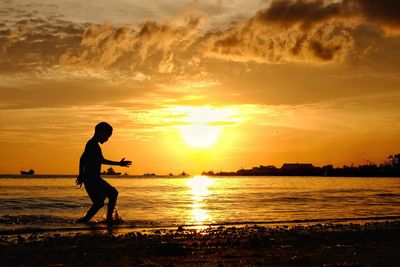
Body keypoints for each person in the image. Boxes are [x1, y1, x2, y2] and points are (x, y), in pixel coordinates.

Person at [76, 122, 132, 225]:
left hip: (90, 178)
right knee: (113, 194)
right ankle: (109, 219)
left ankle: (83, 221)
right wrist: (119, 164)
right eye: (107, 136)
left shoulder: (91, 143)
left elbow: (81, 158)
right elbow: (101, 160)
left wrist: (80, 174)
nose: (107, 139)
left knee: (99, 203)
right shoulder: (93, 145)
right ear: (100, 132)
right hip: (92, 179)